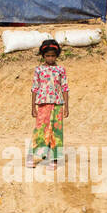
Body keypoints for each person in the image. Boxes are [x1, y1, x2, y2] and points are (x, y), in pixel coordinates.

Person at [28, 39, 69, 168]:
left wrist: (66, 107)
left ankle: (54, 159)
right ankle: (37, 156)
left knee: (56, 132)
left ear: (56, 56)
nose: (50, 58)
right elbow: (34, 88)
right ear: (43, 56)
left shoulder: (60, 70)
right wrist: (33, 107)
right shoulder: (39, 70)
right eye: (47, 56)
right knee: (41, 129)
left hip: (57, 104)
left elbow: (65, 88)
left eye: (53, 55)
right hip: (43, 104)